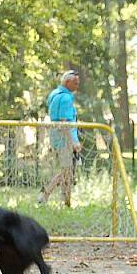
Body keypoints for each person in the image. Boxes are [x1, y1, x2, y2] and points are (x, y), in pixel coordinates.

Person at [38, 70, 82, 207]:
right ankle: (44, 194)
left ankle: (67, 201)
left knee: (68, 172)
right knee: (66, 171)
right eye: (75, 83)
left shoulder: (54, 94)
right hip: (65, 139)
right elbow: (65, 123)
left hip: (56, 138)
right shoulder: (66, 98)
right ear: (67, 82)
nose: (77, 86)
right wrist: (73, 142)